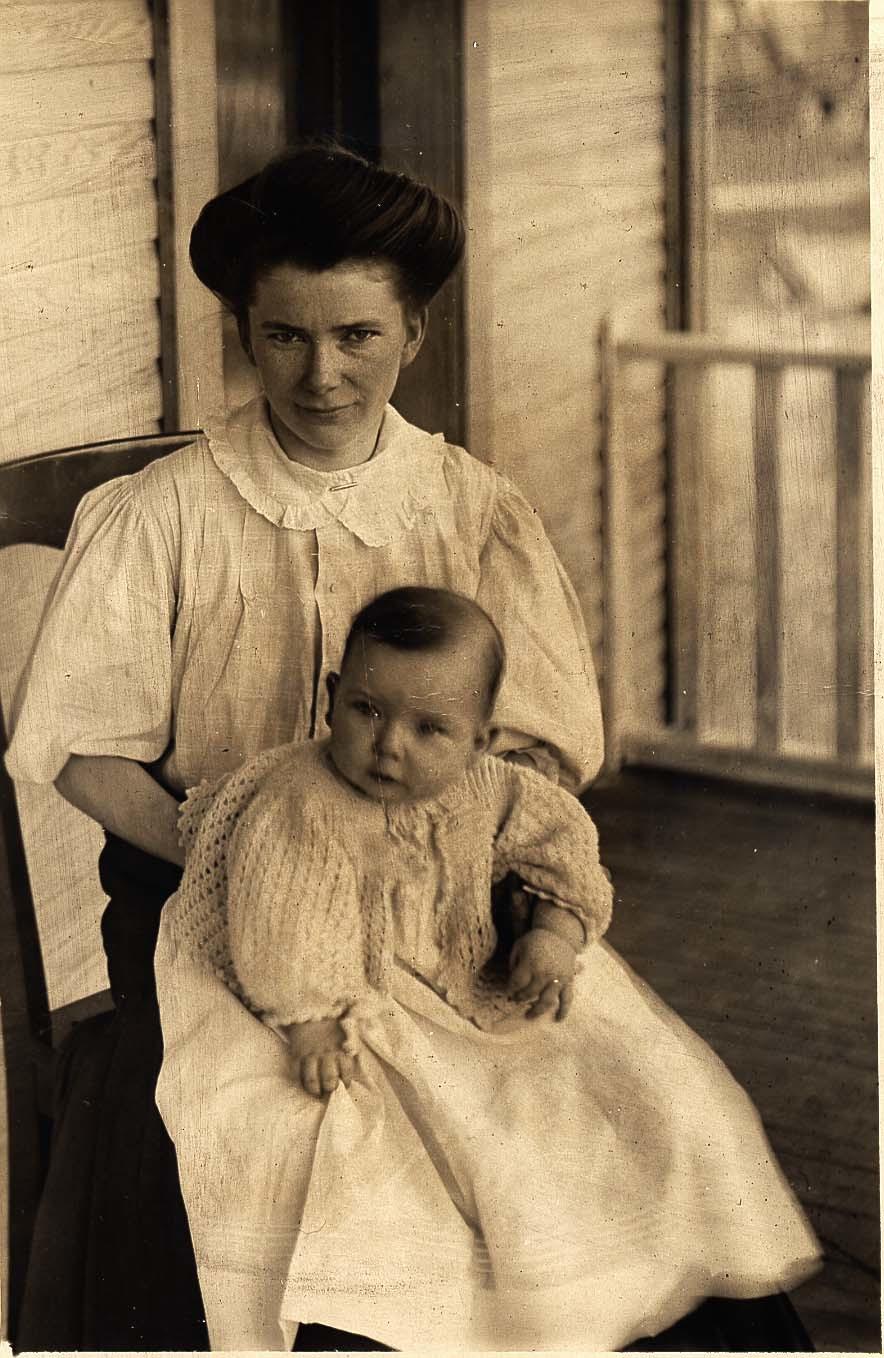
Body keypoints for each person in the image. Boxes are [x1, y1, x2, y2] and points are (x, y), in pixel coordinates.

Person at [4, 145, 604, 1351]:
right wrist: (248, 850)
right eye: (283, 337)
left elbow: (536, 743)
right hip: (200, 901)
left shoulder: (469, 509)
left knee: (563, 1101)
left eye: (356, 337)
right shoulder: (162, 512)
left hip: (443, 906)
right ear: (243, 332)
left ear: (412, 335)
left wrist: (456, 870)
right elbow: (78, 745)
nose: (321, 374)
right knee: (266, 1118)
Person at [155, 587, 821, 1352]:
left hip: (465, 975)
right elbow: (279, 929)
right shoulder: (299, 801)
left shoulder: (495, 789)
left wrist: (553, 934)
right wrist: (308, 1020)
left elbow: (565, 854)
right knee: (427, 1133)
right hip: (361, 990)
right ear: (332, 698)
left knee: (620, 1087)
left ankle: (639, 1292)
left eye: (429, 728)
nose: (388, 746)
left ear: (480, 740)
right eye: (367, 710)